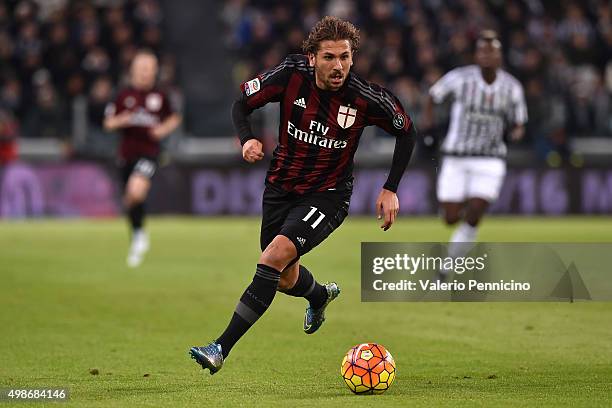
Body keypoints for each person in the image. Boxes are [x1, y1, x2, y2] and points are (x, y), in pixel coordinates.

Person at [189, 16, 417, 375]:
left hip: (328, 195)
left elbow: (407, 132)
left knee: (271, 259)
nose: (338, 65)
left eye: (345, 56)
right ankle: (319, 295)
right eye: (329, 57)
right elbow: (241, 104)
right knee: (282, 277)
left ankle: (219, 347)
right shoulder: (290, 75)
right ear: (311, 58)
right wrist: (247, 138)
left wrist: (390, 188)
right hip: (280, 188)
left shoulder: (364, 97)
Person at [421, 30, 527, 271]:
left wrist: (517, 132)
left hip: (490, 159)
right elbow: (433, 95)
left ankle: (446, 268)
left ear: (500, 56)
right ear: (477, 55)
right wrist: (428, 123)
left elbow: (520, 121)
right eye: (483, 51)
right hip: (456, 157)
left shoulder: (512, 87)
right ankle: (459, 210)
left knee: (476, 211)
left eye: (492, 51)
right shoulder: (460, 78)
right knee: (450, 218)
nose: (487, 55)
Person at [103, 49, 181, 267]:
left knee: (136, 190)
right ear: (134, 71)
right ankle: (138, 233)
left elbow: (174, 117)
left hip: (150, 153)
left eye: (150, 69)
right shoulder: (122, 94)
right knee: (131, 198)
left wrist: (162, 130)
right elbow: (108, 123)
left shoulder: (161, 95)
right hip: (126, 154)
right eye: (143, 69)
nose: (147, 73)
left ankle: (139, 235)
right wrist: (123, 120)